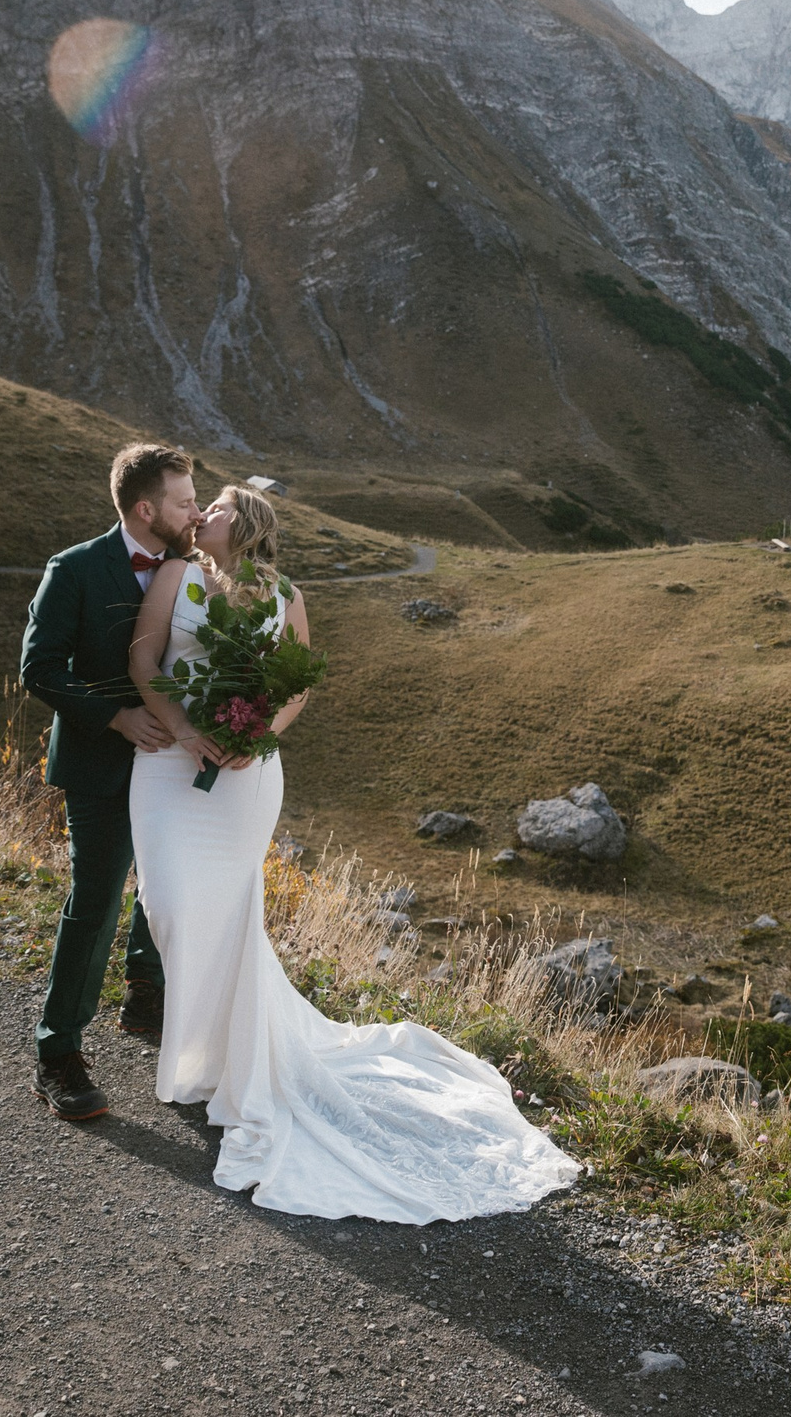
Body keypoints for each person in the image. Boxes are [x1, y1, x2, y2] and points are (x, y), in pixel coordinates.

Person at [124, 483, 580, 1220]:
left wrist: (260, 730)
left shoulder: (284, 593)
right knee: (170, 904)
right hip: (171, 769)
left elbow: (297, 683)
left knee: (229, 913)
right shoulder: (176, 577)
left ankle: (216, 1064)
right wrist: (182, 729)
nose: (202, 507)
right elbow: (144, 659)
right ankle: (203, 1050)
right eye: (197, 500)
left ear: (248, 522)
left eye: (218, 500)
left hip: (244, 777)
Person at [18, 443, 199, 1119]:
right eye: (185, 500)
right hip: (100, 762)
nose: (197, 509)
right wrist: (117, 717)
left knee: (170, 887)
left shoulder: (198, 569)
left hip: (177, 763)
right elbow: (38, 669)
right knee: (94, 901)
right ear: (147, 508)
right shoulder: (73, 570)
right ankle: (56, 1050)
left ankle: (145, 996)